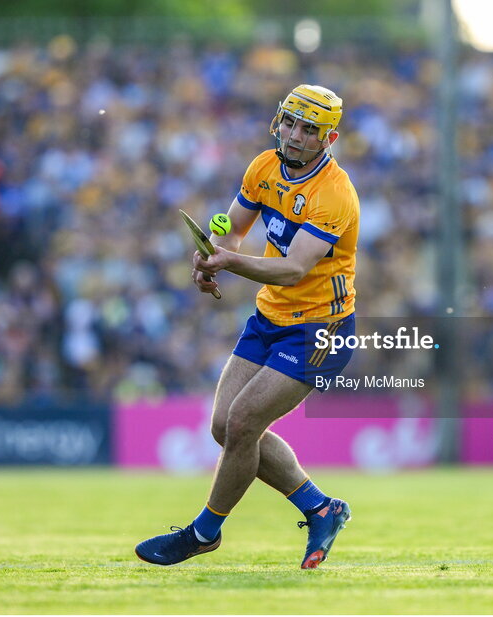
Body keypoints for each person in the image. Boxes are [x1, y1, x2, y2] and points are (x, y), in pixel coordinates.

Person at [135, 85, 359, 569]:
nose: (295, 136)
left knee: (242, 422)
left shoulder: (335, 193)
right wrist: (209, 255)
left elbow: (294, 268)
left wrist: (228, 260)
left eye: (309, 130)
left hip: (321, 328)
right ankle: (322, 509)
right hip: (270, 316)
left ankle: (202, 532)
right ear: (278, 119)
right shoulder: (263, 165)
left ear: (329, 138)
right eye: (290, 122)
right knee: (225, 427)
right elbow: (233, 227)